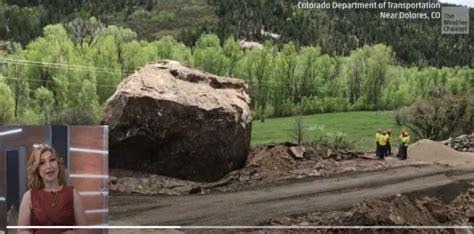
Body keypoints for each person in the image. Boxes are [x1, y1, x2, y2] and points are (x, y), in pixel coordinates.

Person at [17, 144, 87, 234]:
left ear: (58, 163)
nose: (48, 166)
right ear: (37, 169)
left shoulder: (73, 194)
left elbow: (84, 230)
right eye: (42, 163)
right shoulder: (28, 197)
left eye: (52, 160)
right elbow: (21, 231)